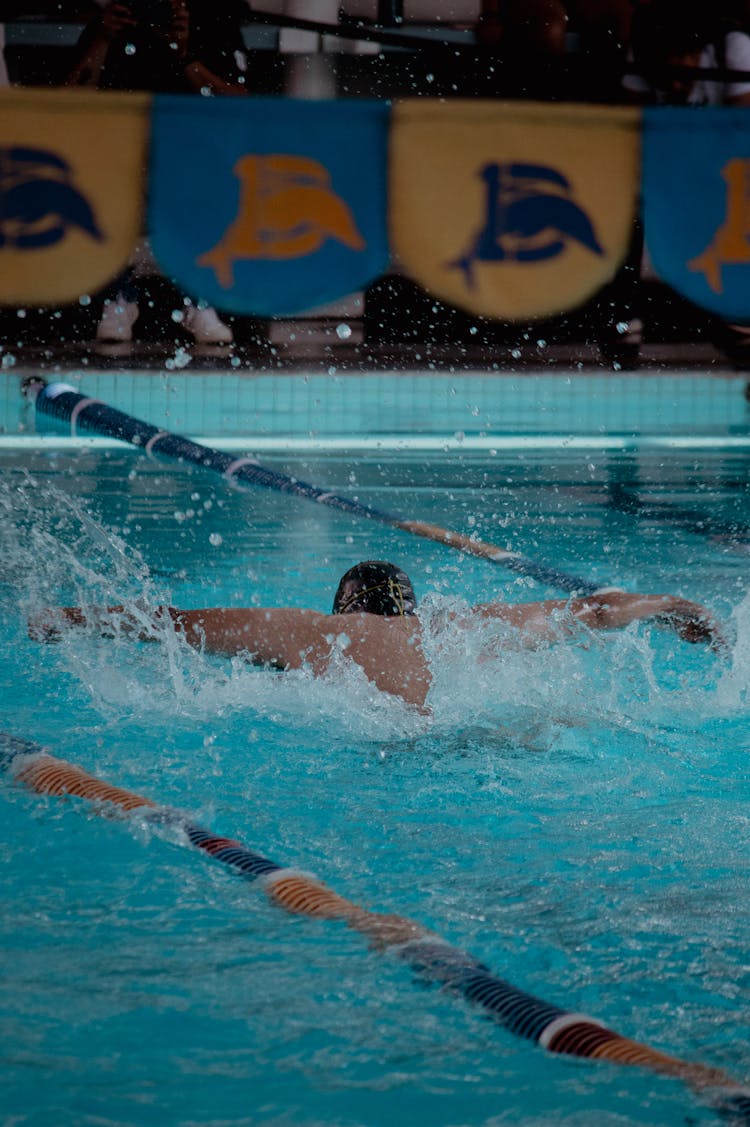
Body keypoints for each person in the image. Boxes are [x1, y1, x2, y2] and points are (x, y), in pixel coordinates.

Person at [29, 559, 726, 713]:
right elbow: (594, 611)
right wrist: (671, 605)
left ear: (344, 604)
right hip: (479, 732)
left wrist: (70, 618)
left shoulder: (316, 634)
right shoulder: (458, 626)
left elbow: (175, 626)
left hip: (377, 747)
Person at [66, 0, 250, 345]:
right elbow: (69, 98)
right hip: (119, 154)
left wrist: (185, 57)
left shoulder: (212, 19)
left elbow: (239, 100)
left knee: (199, 163)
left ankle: (198, 297)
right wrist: (103, 38)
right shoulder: (117, 18)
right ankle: (118, 298)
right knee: (104, 160)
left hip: (193, 153)